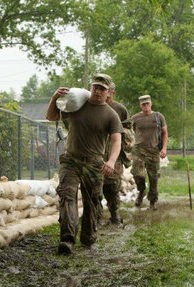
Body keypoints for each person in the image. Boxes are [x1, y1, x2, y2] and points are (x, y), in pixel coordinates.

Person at [46, 73, 123, 255]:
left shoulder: (111, 115)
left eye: (102, 89)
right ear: (91, 87)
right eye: (96, 87)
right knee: (67, 196)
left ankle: (88, 236)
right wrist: (54, 97)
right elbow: (51, 116)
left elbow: (116, 141)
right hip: (71, 160)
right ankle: (67, 239)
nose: (98, 91)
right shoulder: (76, 105)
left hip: (94, 164)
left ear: (108, 92)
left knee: (92, 201)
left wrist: (111, 161)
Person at [130, 95, 168, 210]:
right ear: (140, 105)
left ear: (151, 104)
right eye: (143, 104)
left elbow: (165, 133)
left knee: (153, 177)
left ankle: (153, 201)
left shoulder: (158, 117)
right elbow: (127, 132)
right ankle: (141, 191)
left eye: (147, 103)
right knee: (137, 174)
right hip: (138, 150)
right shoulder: (135, 118)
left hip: (153, 150)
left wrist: (164, 148)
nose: (145, 106)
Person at [100, 82, 130, 225]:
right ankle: (96, 214)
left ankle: (114, 214)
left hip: (114, 153)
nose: (105, 93)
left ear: (112, 92)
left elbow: (128, 131)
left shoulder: (120, 109)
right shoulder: (92, 106)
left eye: (108, 90)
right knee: (95, 186)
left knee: (113, 186)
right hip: (96, 153)